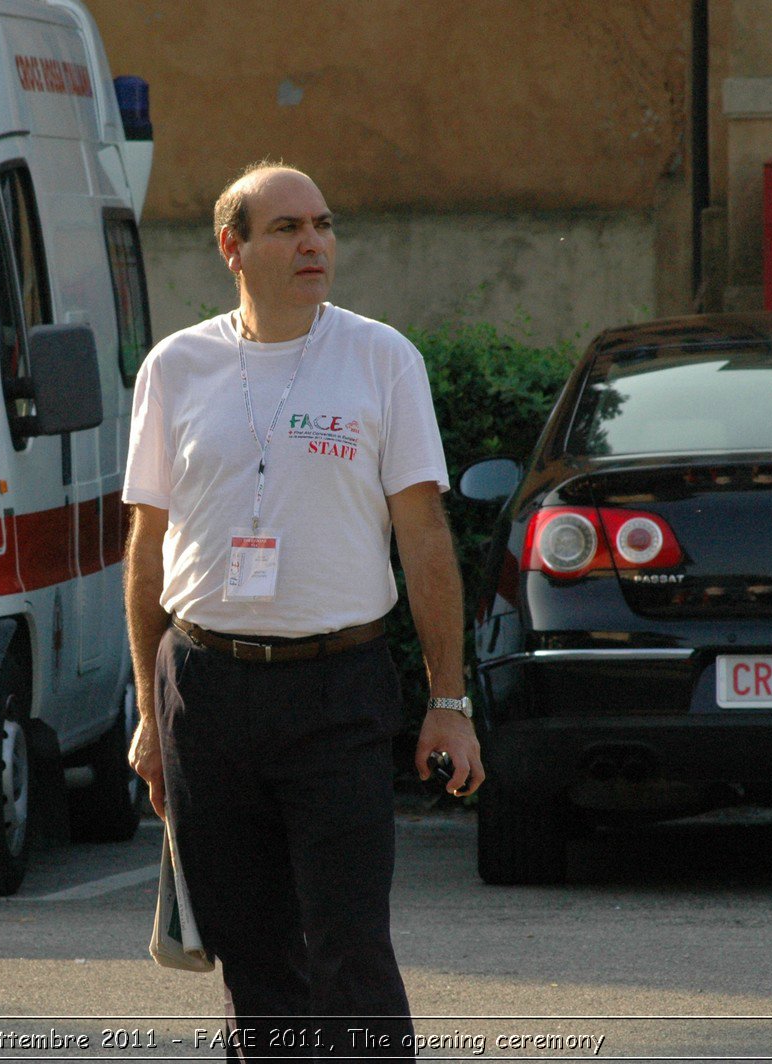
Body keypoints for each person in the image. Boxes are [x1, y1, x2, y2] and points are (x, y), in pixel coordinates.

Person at [123, 164, 485, 1059]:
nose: (314, 243)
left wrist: (451, 700)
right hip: (203, 689)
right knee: (253, 960)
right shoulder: (177, 365)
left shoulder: (380, 357)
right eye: (287, 227)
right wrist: (146, 711)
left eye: (323, 224)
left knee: (351, 949)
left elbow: (425, 537)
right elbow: (144, 547)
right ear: (232, 248)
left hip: (338, 690)